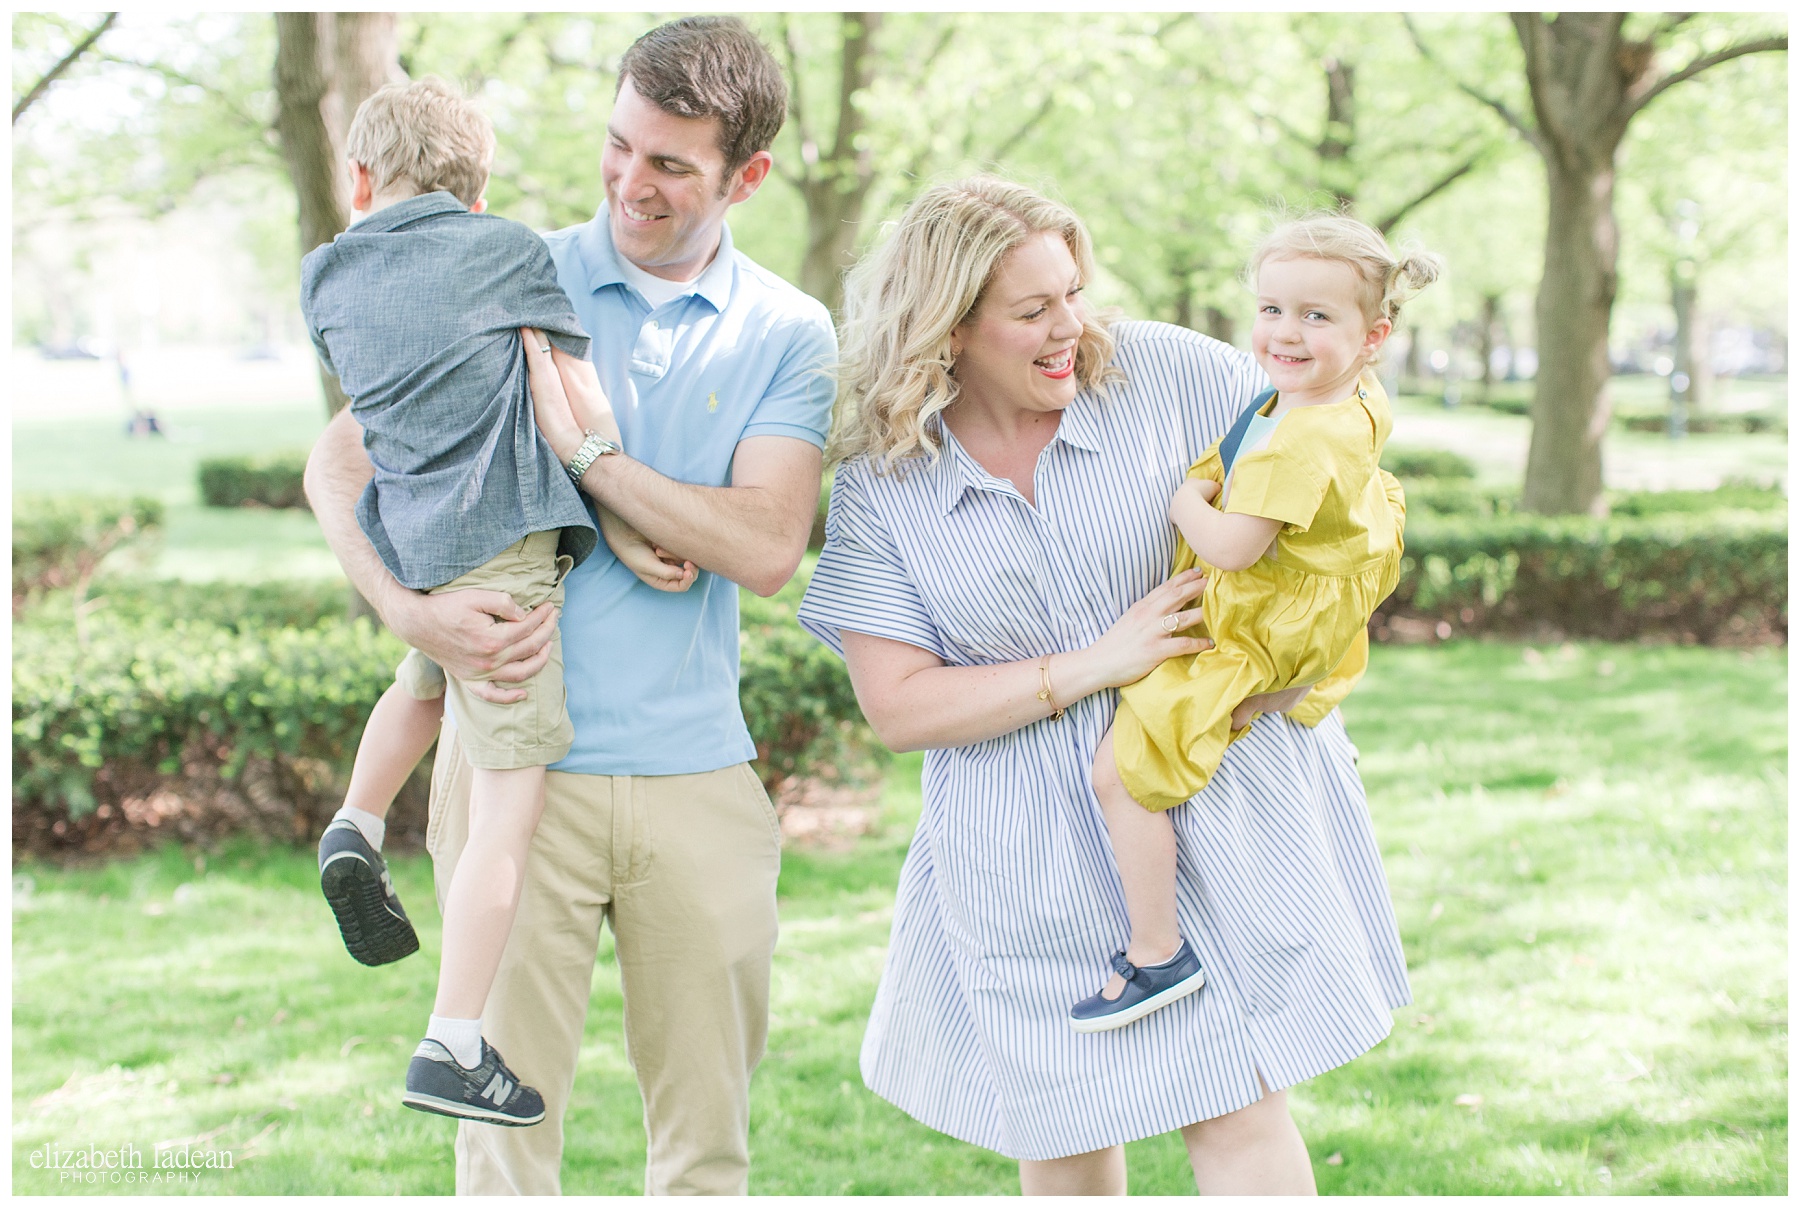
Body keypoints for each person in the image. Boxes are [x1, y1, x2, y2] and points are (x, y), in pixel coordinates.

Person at [303, 17, 835, 1194]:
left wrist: (596, 462)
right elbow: (337, 468)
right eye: (619, 145)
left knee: (706, 1154)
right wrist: (409, 612)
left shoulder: (790, 332)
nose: (629, 182)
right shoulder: (498, 271)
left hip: (697, 779)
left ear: (744, 176)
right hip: (508, 773)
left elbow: (764, 543)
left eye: (671, 165)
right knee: (500, 1155)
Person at [796, 176, 1410, 1195]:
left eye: (1072, 293)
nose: (1070, 328)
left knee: (1240, 1105)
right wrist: (1094, 665)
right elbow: (898, 705)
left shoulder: (1169, 373)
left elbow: (1341, 490)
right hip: (1018, 843)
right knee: (1069, 1139)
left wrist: (1292, 668)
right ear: (948, 328)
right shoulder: (885, 478)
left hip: (1204, 791)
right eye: (1033, 310)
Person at [302, 77, 696, 1127]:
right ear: (477, 191)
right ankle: (454, 1037)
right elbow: (565, 390)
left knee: (423, 676)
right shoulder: (508, 249)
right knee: (503, 822)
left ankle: (356, 816)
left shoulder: (326, 278)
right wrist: (619, 498)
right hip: (510, 562)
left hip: (418, 546)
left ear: (359, 176)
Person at [1072, 215, 1440, 1032]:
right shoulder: (1345, 400)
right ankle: (1272, 699)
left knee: (1120, 775)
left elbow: (1234, 550)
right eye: (1272, 309)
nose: (1284, 332)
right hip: (1315, 614)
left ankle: (1156, 953)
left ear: (1373, 335)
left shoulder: (1297, 444)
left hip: (1255, 627)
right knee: (1243, 705)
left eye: (1317, 316)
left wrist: (1182, 500)